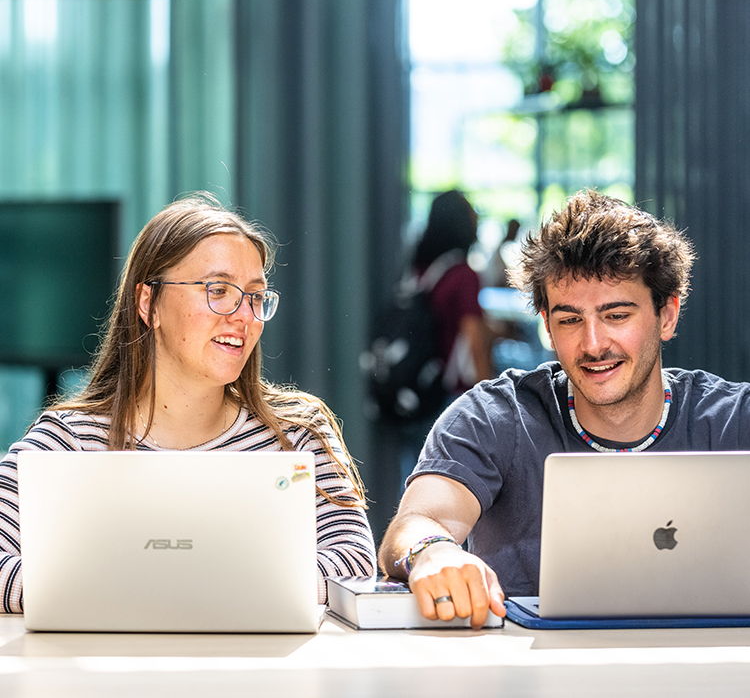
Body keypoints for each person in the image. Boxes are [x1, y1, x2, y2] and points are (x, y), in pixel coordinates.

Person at [378, 188, 750, 629]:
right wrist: (432, 551)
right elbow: (418, 520)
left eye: (616, 315)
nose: (593, 344)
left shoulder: (734, 418)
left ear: (666, 315)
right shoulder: (495, 415)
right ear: (548, 326)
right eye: (570, 319)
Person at [0, 192, 376, 613]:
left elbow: (356, 564)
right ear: (149, 303)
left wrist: (139, 590)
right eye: (218, 290)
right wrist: (202, 591)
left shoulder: (298, 433)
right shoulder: (67, 439)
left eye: (255, 296)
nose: (244, 316)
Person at [413, 189, 494, 395]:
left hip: (420, 382)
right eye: (471, 211)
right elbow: (473, 338)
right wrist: (490, 395)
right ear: (459, 221)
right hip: (451, 389)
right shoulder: (464, 275)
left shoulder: (422, 270)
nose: (476, 217)